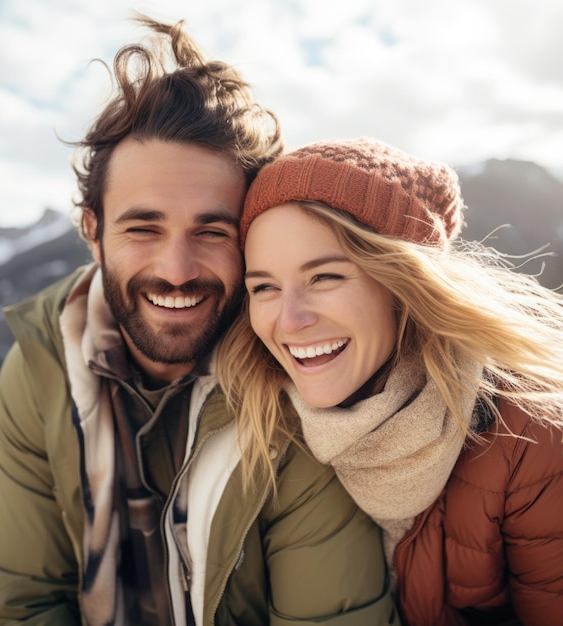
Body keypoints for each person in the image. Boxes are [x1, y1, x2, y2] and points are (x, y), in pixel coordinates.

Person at [0, 16, 399, 626]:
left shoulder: (302, 384)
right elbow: (27, 604)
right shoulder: (44, 361)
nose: (176, 270)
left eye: (212, 230)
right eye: (142, 228)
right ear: (92, 231)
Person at [218, 137, 563, 626]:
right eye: (264, 288)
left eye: (325, 278)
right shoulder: (262, 422)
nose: (289, 321)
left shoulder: (530, 437)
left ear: (403, 284)